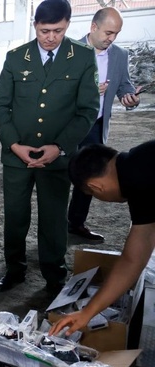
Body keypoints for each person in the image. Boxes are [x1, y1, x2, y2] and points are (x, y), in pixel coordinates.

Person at [0, 0, 99, 295]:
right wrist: (14, 144)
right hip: (17, 157)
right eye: (44, 30)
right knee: (15, 217)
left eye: (58, 30)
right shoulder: (15, 58)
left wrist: (60, 147)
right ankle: (14, 269)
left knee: (53, 219)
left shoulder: (83, 58)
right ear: (35, 25)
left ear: (67, 24)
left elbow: (88, 110)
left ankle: (55, 275)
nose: (51, 37)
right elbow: (0, 107)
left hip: (57, 158)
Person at [50, 141, 155, 367]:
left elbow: (134, 258)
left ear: (95, 187)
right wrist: (87, 312)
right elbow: (137, 254)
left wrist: (86, 312)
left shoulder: (139, 177)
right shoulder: (138, 164)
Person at [67, 7, 141, 242]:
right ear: (93, 27)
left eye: (116, 34)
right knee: (58, 175)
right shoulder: (69, 52)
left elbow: (125, 86)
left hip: (96, 125)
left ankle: (76, 224)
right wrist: (85, 91)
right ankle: (52, 227)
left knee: (89, 176)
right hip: (67, 124)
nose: (112, 38)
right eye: (108, 32)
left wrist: (130, 98)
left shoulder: (120, 55)